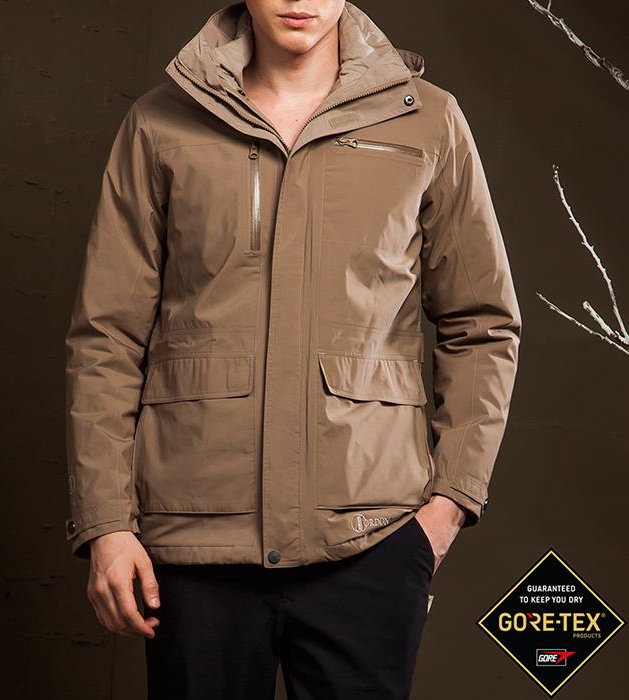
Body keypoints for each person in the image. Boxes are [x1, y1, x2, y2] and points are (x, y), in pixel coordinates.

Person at [63, 1, 522, 698]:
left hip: (373, 542)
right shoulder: (161, 122)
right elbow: (107, 336)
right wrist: (106, 525)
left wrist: (448, 506)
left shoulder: (428, 121)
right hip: (192, 548)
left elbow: (481, 323)